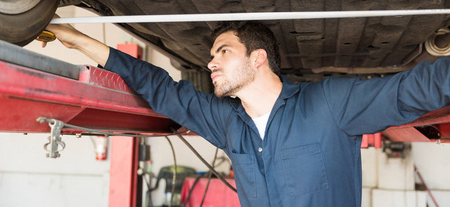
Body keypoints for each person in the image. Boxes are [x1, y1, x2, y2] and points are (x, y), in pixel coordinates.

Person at [43, 19, 450, 207]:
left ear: (258, 58)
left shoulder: (330, 104)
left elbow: (414, 91)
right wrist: (80, 41)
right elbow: (159, 88)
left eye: (223, 51)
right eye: (211, 55)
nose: (210, 63)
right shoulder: (227, 123)